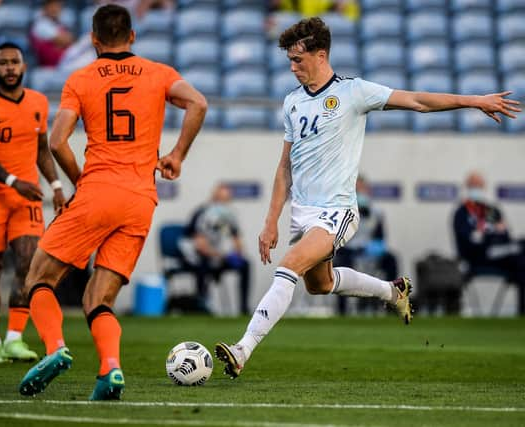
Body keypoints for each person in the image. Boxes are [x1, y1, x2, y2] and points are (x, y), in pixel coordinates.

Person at [215, 16, 521, 379]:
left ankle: (242, 349)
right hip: (303, 213)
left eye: (298, 59)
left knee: (289, 265)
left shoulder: (352, 92)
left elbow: (418, 101)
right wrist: (270, 221)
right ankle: (394, 293)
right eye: (290, 60)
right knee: (320, 285)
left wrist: (472, 100)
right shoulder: (292, 103)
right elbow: (285, 167)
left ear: (321, 54)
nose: (292, 67)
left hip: (337, 212)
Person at [17, 4, 207, 400]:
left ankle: (54, 349)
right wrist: (176, 155)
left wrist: (78, 180)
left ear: (93, 40)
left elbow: (56, 141)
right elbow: (199, 103)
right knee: (98, 298)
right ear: (132, 36)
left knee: (38, 278)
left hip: (98, 189)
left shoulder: (81, 79)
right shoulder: (159, 73)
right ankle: (110, 370)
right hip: (140, 198)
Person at [0, 42, 66, 364]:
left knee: (28, 264)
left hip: (27, 197)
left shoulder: (37, 103)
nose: (9, 67)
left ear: (23, 66)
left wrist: (55, 185)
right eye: (3, 63)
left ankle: (14, 338)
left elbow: (41, 149)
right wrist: (14, 182)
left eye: (14, 62)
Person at [453, 171, 525, 315]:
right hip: (476, 258)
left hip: (498, 254)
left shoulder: (490, 210)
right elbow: (469, 241)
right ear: (467, 187)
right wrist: (488, 232)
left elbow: (504, 235)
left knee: (522, 254)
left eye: (479, 185)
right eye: (473, 185)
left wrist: (489, 233)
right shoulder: (462, 213)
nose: (476, 188)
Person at [180, 183, 251, 315]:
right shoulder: (200, 214)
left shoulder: (230, 216)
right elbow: (200, 246)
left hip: (220, 256)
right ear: (213, 198)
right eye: (219, 199)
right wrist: (220, 255)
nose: (222, 203)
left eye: (226, 200)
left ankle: (244, 308)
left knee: (245, 264)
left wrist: (236, 254)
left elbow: (237, 242)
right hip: (199, 257)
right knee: (203, 265)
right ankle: (202, 306)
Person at [333, 175, 398, 315]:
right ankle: (342, 311)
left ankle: (392, 302)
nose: (360, 192)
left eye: (362, 188)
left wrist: (374, 248)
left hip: (368, 250)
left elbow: (380, 237)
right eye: (357, 189)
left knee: (391, 259)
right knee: (343, 263)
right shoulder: (340, 210)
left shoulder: (376, 212)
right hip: (348, 250)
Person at [30, 0, 76, 67]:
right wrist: (62, 42)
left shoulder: (58, 24)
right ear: (44, 8)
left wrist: (60, 44)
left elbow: (71, 40)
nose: (55, 9)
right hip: (53, 64)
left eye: (58, 7)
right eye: (52, 7)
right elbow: (64, 40)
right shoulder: (41, 24)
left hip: (66, 60)